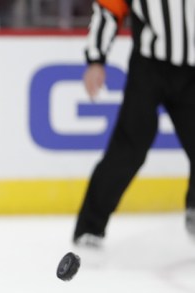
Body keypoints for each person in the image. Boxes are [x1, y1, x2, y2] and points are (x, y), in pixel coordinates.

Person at [74, 0, 195, 248]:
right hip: (149, 68)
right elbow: (108, 9)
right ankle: (90, 227)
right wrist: (96, 58)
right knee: (128, 149)